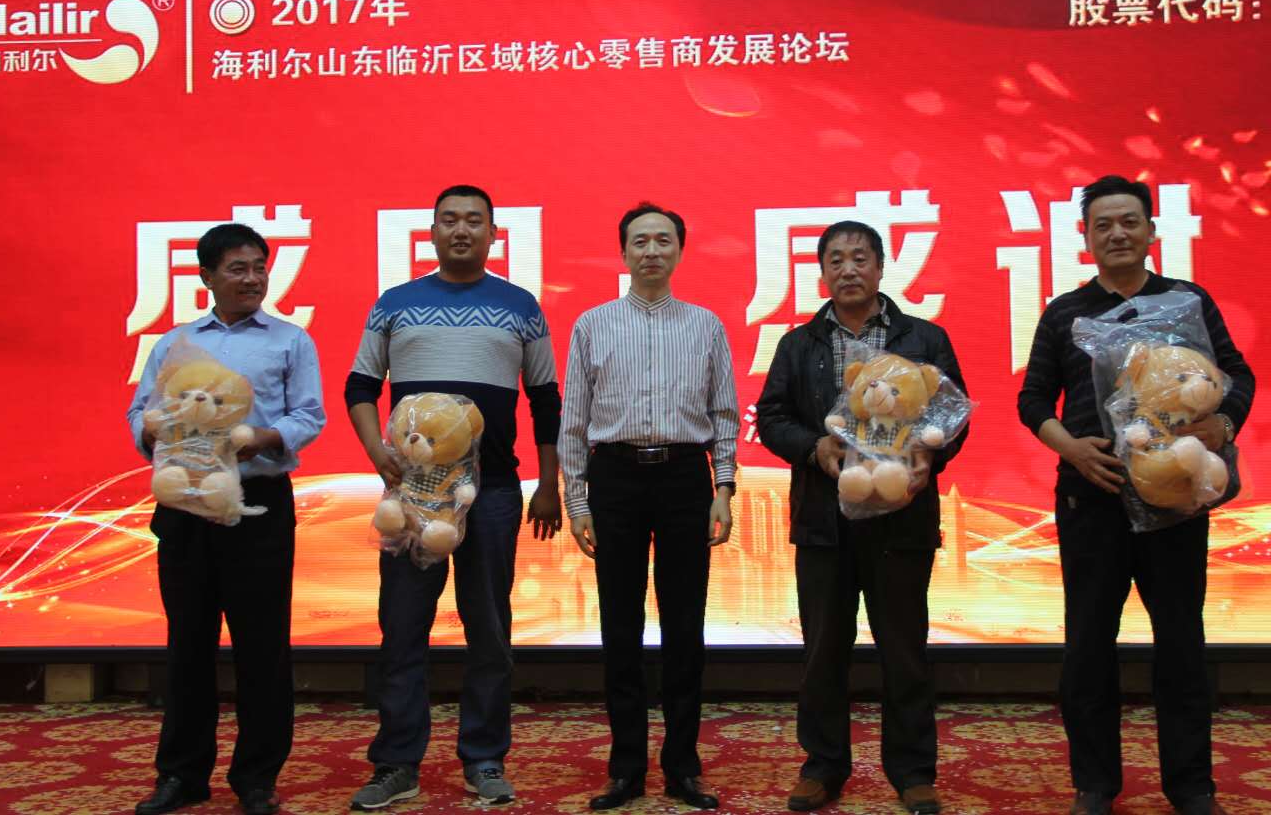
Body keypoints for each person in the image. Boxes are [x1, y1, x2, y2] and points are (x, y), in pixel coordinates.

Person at [1017, 175, 1253, 815]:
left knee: (1181, 642)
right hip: (1091, 496)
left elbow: (1236, 373)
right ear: (1086, 236)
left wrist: (1222, 424)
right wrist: (1071, 448)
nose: (1116, 233)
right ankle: (1095, 784)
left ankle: (1191, 785)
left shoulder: (1186, 301)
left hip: (1175, 497)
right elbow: (1032, 399)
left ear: (1151, 230)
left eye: (1129, 221)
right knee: (1088, 645)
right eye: (1103, 224)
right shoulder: (1065, 312)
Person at [347, 184, 563, 809]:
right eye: (449, 220)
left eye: (474, 221)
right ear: (432, 231)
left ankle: (485, 757)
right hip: (413, 495)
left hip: (491, 493)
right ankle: (396, 763)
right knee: (402, 628)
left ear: (494, 234)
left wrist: (548, 485)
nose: (461, 230)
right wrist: (377, 453)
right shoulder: (395, 304)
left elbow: (546, 401)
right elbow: (360, 386)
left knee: (488, 629)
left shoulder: (521, 307)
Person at [756, 220, 967, 815]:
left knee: (905, 650)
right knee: (823, 650)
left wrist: (928, 455)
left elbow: (953, 417)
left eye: (860, 258)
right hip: (824, 520)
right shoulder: (798, 344)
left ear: (880, 266)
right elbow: (771, 417)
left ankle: (913, 772)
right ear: (821, 271)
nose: (848, 269)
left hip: (902, 519)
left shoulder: (924, 338)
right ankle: (822, 766)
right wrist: (812, 447)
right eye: (836, 259)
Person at [128, 223, 327, 815]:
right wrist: (155, 435)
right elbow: (141, 411)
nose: (253, 279)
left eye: (259, 267)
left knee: (263, 647)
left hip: (258, 505)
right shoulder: (174, 344)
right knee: (187, 644)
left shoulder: (290, 341)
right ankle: (181, 775)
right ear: (207, 277)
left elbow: (309, 415)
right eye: (238, 268)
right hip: (184, 507)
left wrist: (262, 438)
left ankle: (257, 778)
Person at [558, 202, 740, 811]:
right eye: (640, 241)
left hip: (686, 478)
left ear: (680, 251)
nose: (652, 251)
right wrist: (577, 500)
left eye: (664, 240)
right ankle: (626, 769)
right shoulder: (592, 325)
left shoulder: (706, 326)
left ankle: (683, 767)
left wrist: (723, 488)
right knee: (620, 626)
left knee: (686, 625)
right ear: (624, 252)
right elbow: (574, 419)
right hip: (615, 478)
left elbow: (723, 414)